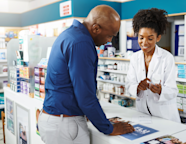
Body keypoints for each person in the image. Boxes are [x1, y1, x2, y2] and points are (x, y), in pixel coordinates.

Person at [38, 5, 135, 144]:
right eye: (109, 35)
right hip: (65, 125)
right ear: (95, 28)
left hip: (56, 119)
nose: (109, 41)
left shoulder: (70, 34)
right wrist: (109, 128)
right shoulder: (81, 43)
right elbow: (85, 95)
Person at [126, 8, 180, 123]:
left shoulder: (167, 58)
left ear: (158, 37)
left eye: (150, 38)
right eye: (141, 38)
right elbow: (129, 85)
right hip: (143, 115)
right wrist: (137, 87)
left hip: (165, 116)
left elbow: (173, 91)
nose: (144, 43)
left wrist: (160, 90)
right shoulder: (135, 58)